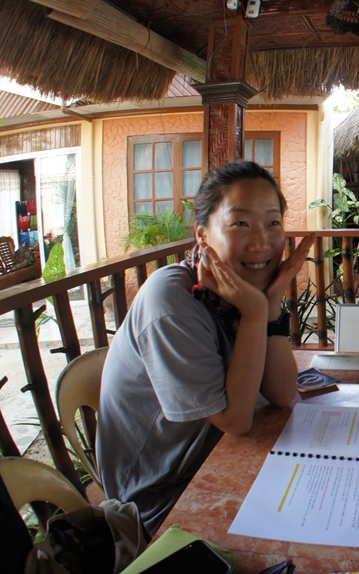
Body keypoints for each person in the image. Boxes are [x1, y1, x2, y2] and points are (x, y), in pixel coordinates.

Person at [97, 161, 316, 534]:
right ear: (202, 234)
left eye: (273, 222)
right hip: (163, 501)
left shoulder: (237, 294)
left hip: (222, 462)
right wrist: (255, 313)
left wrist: (270, 302)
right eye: (240, 223)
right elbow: (235, 420)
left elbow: (281, 393)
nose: (261, 243)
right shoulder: (172, 300)